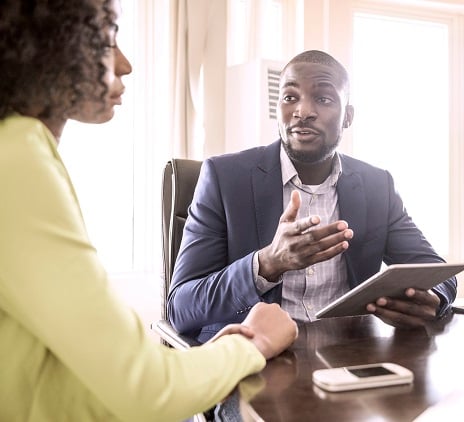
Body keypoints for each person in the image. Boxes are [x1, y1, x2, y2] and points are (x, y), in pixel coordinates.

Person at [0, 1, 298, 421]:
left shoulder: (22, 149)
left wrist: (205, 361)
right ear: (51, 47)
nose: (125, 65)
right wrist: (254, 343)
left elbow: (55, 383)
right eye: (107, 43)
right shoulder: (17, 159)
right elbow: (148, 391)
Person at [167, 49, 457, 342]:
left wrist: (432, 299)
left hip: (349, 355)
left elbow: (439, 273)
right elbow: (181, 307)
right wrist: (267, 263)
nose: (302, 111)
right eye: (290, 97)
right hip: (255, 358)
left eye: (323, 98)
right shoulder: (225, 177)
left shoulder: (376, 185)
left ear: (348, 117)